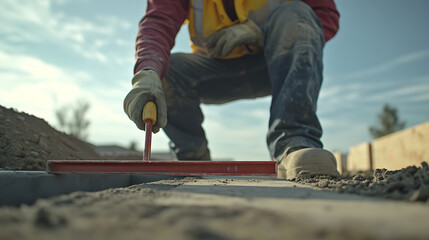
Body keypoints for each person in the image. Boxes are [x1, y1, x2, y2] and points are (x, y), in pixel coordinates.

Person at [124, 0, 341, 179]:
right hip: (217, 72)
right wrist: (148, 70)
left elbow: (325, 14)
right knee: (167, 72)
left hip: (275, 62)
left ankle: (295, 144)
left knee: (298, 13)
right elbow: (158, 22)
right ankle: (193, 162)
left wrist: (259, 31)